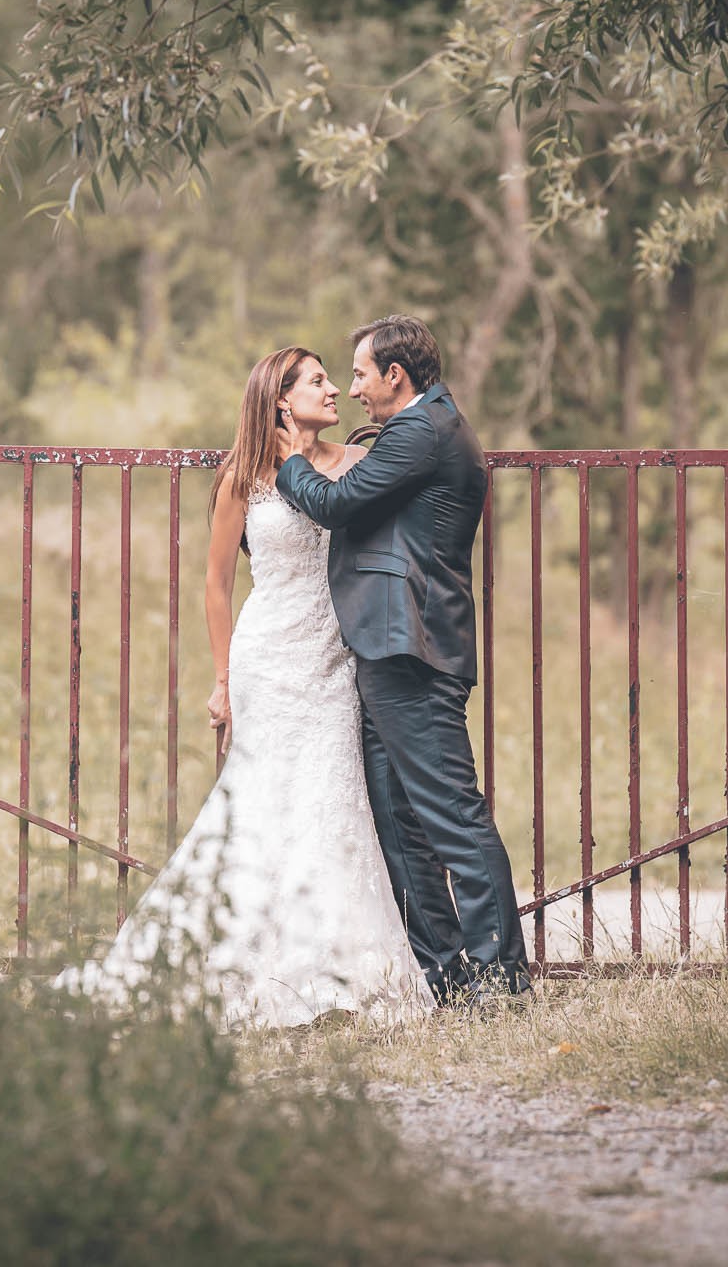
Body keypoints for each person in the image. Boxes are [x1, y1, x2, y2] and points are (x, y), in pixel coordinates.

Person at [54, 346, 433, 1028]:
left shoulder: (355, 463)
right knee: (257, 805)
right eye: (318, 380)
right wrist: (224, 679)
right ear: (282, 399)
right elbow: (216, 583)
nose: (334, 390)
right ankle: (231, 959)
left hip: (334, 660)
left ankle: (338, 971)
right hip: (268, 658)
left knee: (331, 804)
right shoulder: (243, 477)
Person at [275, 315, 532, 1007]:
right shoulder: (422, 428)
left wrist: (292, 459)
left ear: (396, 374)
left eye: (361, 374)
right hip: (388, 647)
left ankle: (502, 979)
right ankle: (446, 975)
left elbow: (334, 504)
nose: (354, 387)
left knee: (451, 816)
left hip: (412, 649)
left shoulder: (423, 429)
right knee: (400, 822)